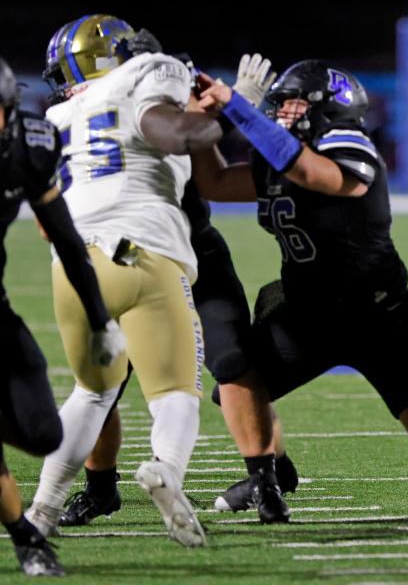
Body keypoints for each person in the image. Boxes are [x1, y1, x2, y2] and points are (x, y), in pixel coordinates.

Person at [190, 57, 408, 533]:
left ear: (325, 107)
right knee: (236, 378)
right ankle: (270, 478)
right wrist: (205, 124)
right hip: (307, 313)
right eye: (279, 104)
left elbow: (316, 175)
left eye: (291, 102)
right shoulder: (282, 153)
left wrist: (239, 111)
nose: (281, 111)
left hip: (375, 311)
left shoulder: (345, 142)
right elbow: (215, 183)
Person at [58, 49, 296, 528]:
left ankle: (268, 477)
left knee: (232, 361)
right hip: (125, 255)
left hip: (194, 255)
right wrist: (233, 108)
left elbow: (191, 143)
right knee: (101, 383)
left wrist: (234, 110)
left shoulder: (147, 100)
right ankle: (100, 487)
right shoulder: (89, 118)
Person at [25, 14, 227, 548]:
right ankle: (168, 473)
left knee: (92, 393)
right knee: (176, 392)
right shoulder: (150, 71)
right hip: (139, 251)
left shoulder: (61, 112)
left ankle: (42, 510)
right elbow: (177, 132)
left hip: (72, 267)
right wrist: (221, 112)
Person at [0, 56, 124, 575]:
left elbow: (69, 242)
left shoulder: (29, 145)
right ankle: (26, 538)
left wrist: (101, 319)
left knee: (43, 433)